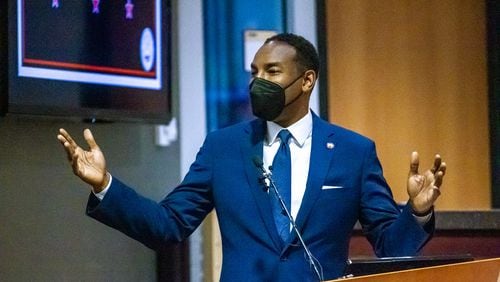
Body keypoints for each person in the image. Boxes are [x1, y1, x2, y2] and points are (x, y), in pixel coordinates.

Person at [57, 33, 446, 281]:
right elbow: (168, 224)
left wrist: (416, 212)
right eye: (254, 71)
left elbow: (390, 247)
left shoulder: (353, 152)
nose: (257, 82)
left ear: (306, 80)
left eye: (272, 71)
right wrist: (106, 186)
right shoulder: (223, 148)